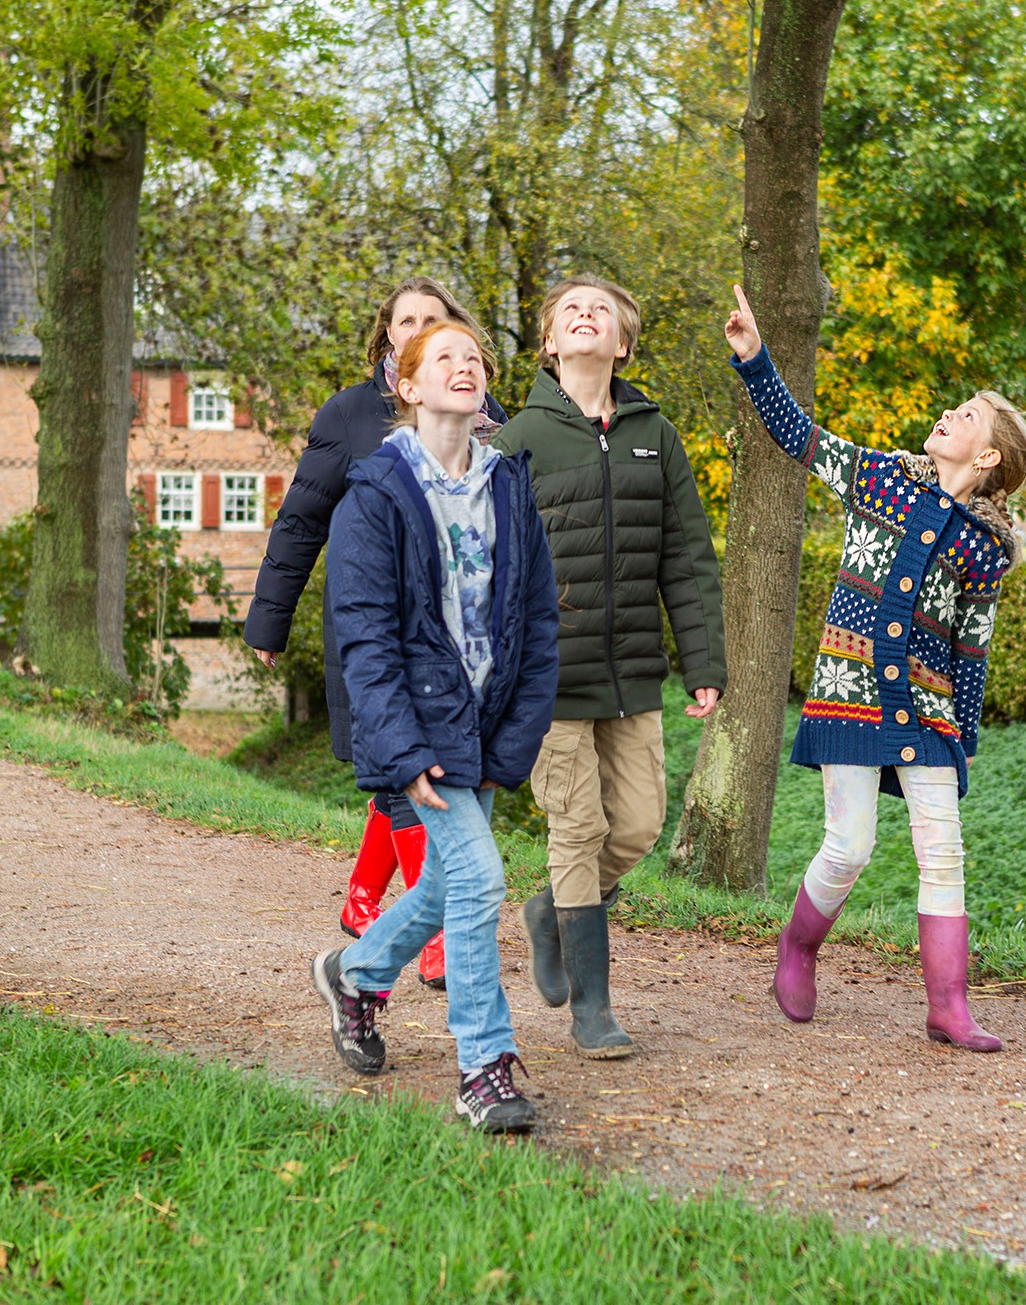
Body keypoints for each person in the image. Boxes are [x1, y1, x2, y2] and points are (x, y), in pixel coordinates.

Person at [720, 284, 1026, 1052]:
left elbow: (972, 647)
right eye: (954, 408)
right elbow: (798, 435)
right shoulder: (880, 479)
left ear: (985, 456)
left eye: (967, 416)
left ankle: (948, 1006)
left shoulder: (984, 547)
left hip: (927, 715)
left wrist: (964, 736)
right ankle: (797, 947)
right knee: (849, 845)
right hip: (847, 698)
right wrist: (756, 360)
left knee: (943, 846)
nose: (949, 415)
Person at [311, 319, 559, 1133]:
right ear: (408, 386)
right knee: (482, 883)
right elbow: (365, 638)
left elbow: (537, 626)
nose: (465, 366)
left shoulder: (508, 488)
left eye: (476, 358)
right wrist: (405, 747)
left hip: (481, 732)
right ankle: (482, 1066)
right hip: (416, 731)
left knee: (447, 885)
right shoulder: (374, 495)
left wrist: (509, 747)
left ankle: (355, 972)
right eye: (443, 356)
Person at [245, 280, 506, 988]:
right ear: (386, 338)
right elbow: (301, 519)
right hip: (377, 631)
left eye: (435, 320)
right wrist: (270, 617)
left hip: (461, 639)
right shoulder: (351, 414)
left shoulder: (485, 415)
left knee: (426, 772)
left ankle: (364, 897)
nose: (420, 330)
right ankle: (437, 940)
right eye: (407, 321)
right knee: (409, 779)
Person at [492, 275, 725, 1060]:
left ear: (621, 343)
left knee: (638, 824)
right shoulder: (517, 438)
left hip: (632, 674)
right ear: (551, 342)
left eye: (602, 311)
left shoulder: (654, 434)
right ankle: (592, 1008)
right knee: (579, 824)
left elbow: (687, 558)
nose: (585, 315)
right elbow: (487, 563)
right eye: (570, 310)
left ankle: (552, 913)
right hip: (548, 677)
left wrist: (703, 661)